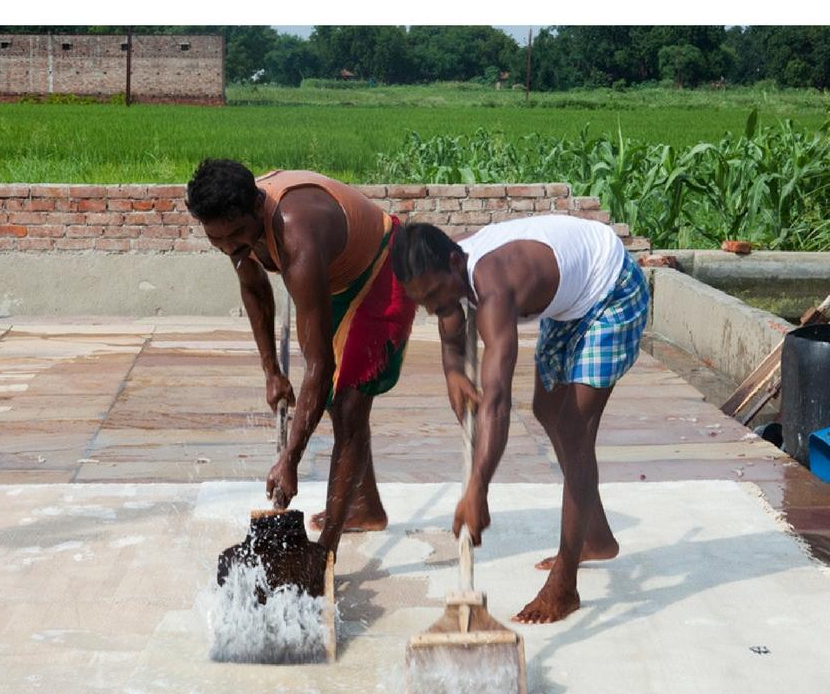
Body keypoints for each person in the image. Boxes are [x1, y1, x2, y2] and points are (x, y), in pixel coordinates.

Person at [392, 214, 649, 624]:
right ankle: (595, 536)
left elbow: (496, 402)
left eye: (436, 294)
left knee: (575, 429)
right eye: (422, 301)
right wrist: (453, 371)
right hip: (568, 304)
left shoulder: (495, 286)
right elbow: (448, 315)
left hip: (611, 290)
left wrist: (477, 488)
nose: (433, 308)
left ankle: (565, 585)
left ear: (456, 264)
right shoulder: (444, 264)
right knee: (548, 409)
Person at [185, 160, 416, 556]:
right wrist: (271, 372)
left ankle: (325, 552)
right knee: (330, 402)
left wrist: (290, 459)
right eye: (216, 241)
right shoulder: (233, 220)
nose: (229, 250)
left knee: (347, 405)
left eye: (237, 239)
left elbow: (319, 367)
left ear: (258, 207)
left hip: (385, 267)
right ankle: (363, 507)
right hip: (338, 272)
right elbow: (254, 288)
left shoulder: (296, 235)